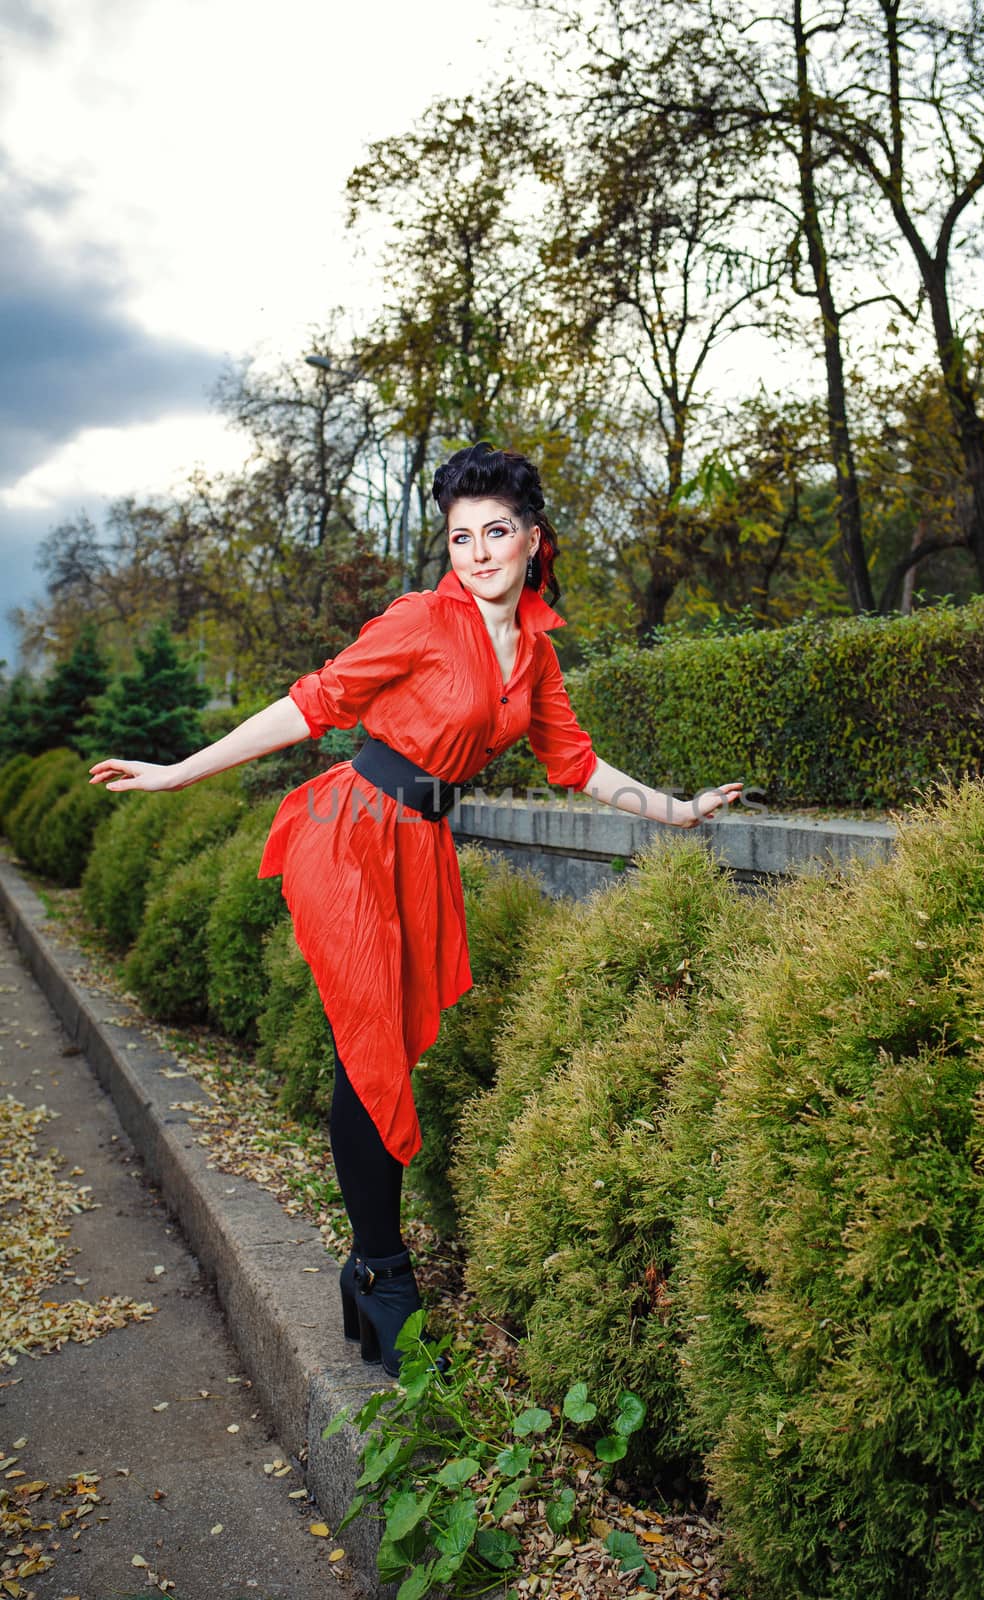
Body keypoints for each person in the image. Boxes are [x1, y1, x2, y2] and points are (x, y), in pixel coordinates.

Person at [89, 441, 743, 1377]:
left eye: (496, 532)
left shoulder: (536, 655)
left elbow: (576, 763)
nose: (477, 552)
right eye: (460, 535)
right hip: (352, 834)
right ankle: (387, 1278)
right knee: (371, 1051)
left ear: (532, 539)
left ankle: (367, 1271)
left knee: (384, 1052)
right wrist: (174, 774)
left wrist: (677, 810)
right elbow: (311, 704)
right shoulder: (419, 621)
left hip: (421, 849)